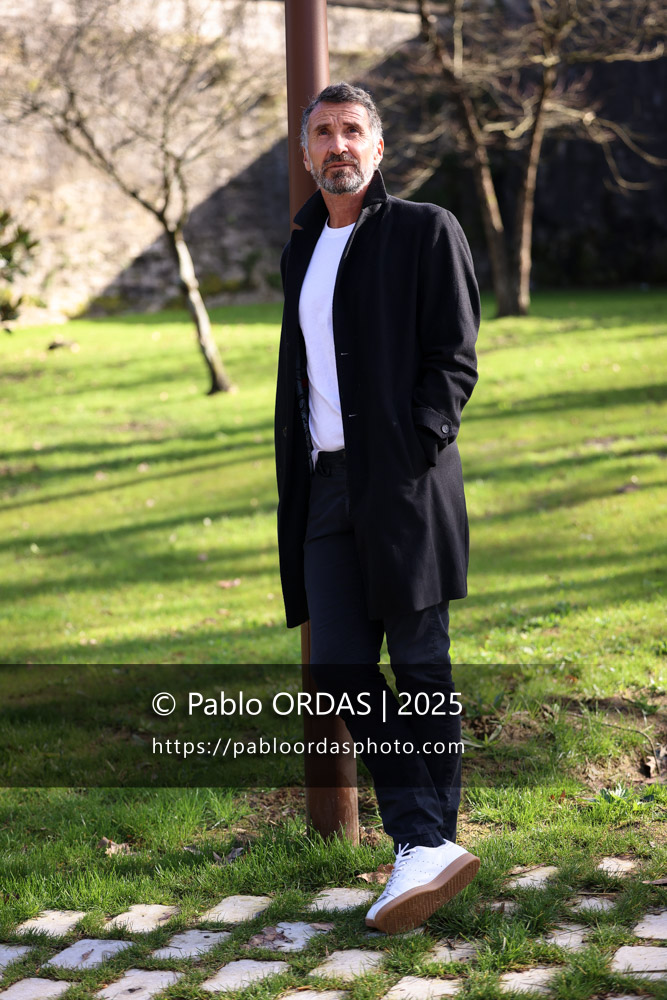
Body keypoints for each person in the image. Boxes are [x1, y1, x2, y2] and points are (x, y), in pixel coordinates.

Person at [274, 82, 481, 934]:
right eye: (322, 132)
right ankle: (426, 844)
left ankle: (424, 845)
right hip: (324, 490)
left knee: (422, 666)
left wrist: (416, 441)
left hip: (401, 483)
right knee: (344, 670)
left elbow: (454, 356)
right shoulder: (300, 249)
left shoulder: (425, 230)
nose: (337, 144)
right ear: (304, 151)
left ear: (378, 146)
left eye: (351, 130)